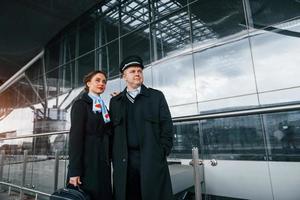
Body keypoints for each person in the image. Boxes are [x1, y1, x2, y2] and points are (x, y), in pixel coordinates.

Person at [109, 55, 174, 200]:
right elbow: (111, 133)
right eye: (132, 71)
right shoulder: (116, 102)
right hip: (124, 161)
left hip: (151, 158)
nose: (137, 73)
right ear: (124, 76)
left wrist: (162, 151)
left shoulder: (156, 96)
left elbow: (167, 127)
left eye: (139, 71)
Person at [68, 70, 112, 200]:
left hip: (102, 161)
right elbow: (75, 139)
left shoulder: (103, 107)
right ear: (88, 83)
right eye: (97, 80)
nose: (101, 83)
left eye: (104, 81)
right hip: (87, 164)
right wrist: (74, 171)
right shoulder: (81, 104)